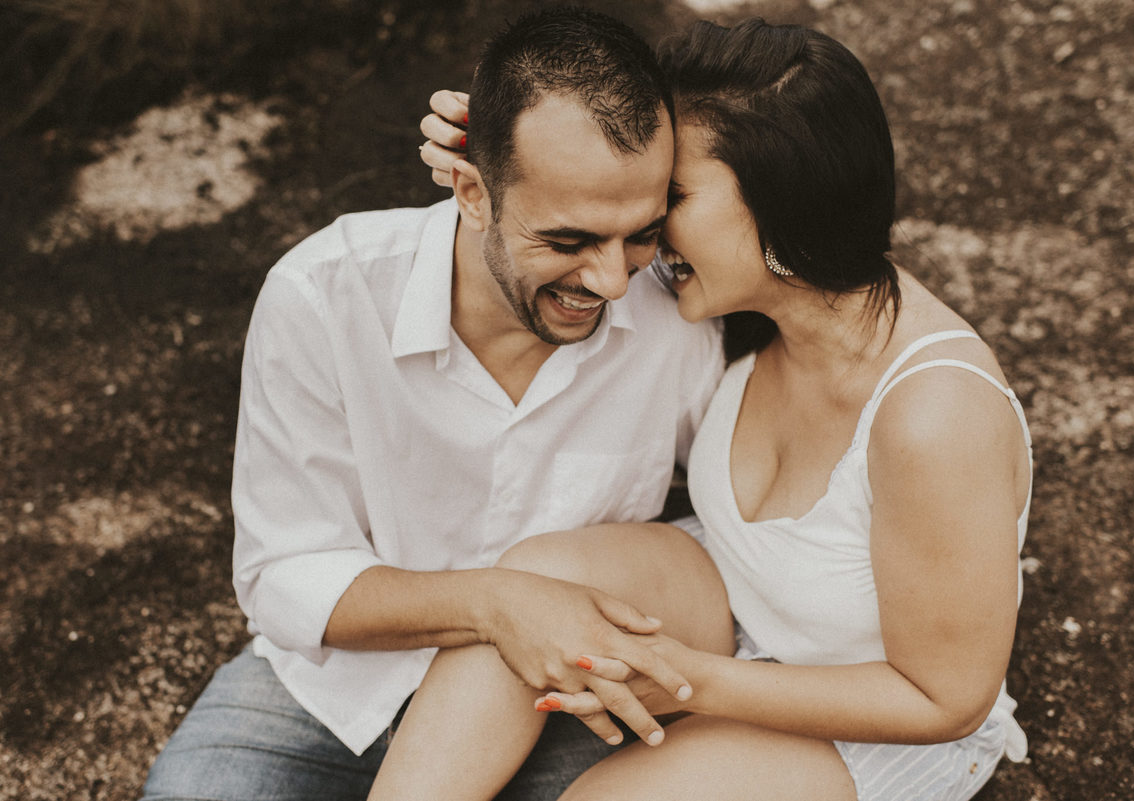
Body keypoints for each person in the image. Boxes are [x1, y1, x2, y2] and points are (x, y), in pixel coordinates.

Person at [383, 17, 1033, 801]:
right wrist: (500, 156)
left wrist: (694, 680)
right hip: (725, 594)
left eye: (673, 196)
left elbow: (945, 699)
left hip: (875, 713)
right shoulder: (727, 290)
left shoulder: (935, 415)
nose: (643, 232)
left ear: (781, 203)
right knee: (532, 595)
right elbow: (560, 201)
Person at [138, 8, 729, 801]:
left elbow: (745, 514)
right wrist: (496, 604)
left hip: (560, 705)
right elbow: (283, 570)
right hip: (334, 689)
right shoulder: (324, 295)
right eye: (568, 241)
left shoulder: (677, 320)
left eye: (640, 235)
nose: (613, 281)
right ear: (472, 191)